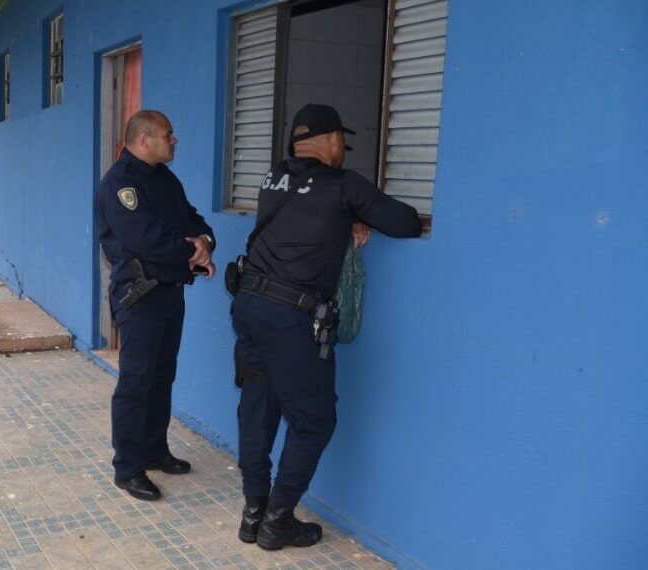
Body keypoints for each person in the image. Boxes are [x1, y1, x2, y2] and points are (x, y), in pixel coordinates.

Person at [231, 103, 422, 550]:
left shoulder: (272, 179)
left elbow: (303, 217)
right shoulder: (344, 186)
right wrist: (357, 213)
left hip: (249, 306)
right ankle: (277, 522)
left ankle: (253, 511)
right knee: (315, 420)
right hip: (289, 320)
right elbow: (407, 223)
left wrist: (345, 218)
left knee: (259, 404)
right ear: (335, 140)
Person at [95, 110, 216, 501]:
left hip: (169, 290)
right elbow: (146, 238)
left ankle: (153, 450)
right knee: (136, 381)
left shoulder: (165, 178)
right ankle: (127, 467)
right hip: (141, 294)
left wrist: (205, 242)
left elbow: (192, 218)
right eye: (169, 134)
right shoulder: (120, 183)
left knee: (162, 375)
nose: (174, 140)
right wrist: (192, 252)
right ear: (144, 139)